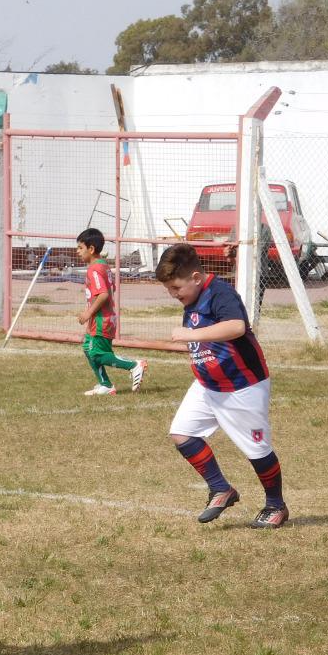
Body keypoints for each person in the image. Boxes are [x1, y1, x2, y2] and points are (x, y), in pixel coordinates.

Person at [156, 243, 288, 529]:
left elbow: (235, 327)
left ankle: (276, 505)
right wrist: (191, 342)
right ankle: (221, 489)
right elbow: (203, 337)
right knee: (182, 433)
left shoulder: (220, 292)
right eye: (169, 290)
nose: (174, 295)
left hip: (242, 386)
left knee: (257, 450)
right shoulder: (190, 298)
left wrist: (192, 334)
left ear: (195, 277)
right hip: (207, 384)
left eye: (176, 288)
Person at [74, 227, 147, 396]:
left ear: (91, 249)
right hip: (101, 319)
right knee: (87, 348)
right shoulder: (103, 265)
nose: (77, 252)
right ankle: (105, 385)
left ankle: (134, 365)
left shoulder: (94, 269)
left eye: (80, 248)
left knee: (97, 354)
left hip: (101, 319)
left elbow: (104, 295)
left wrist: (88, 313)